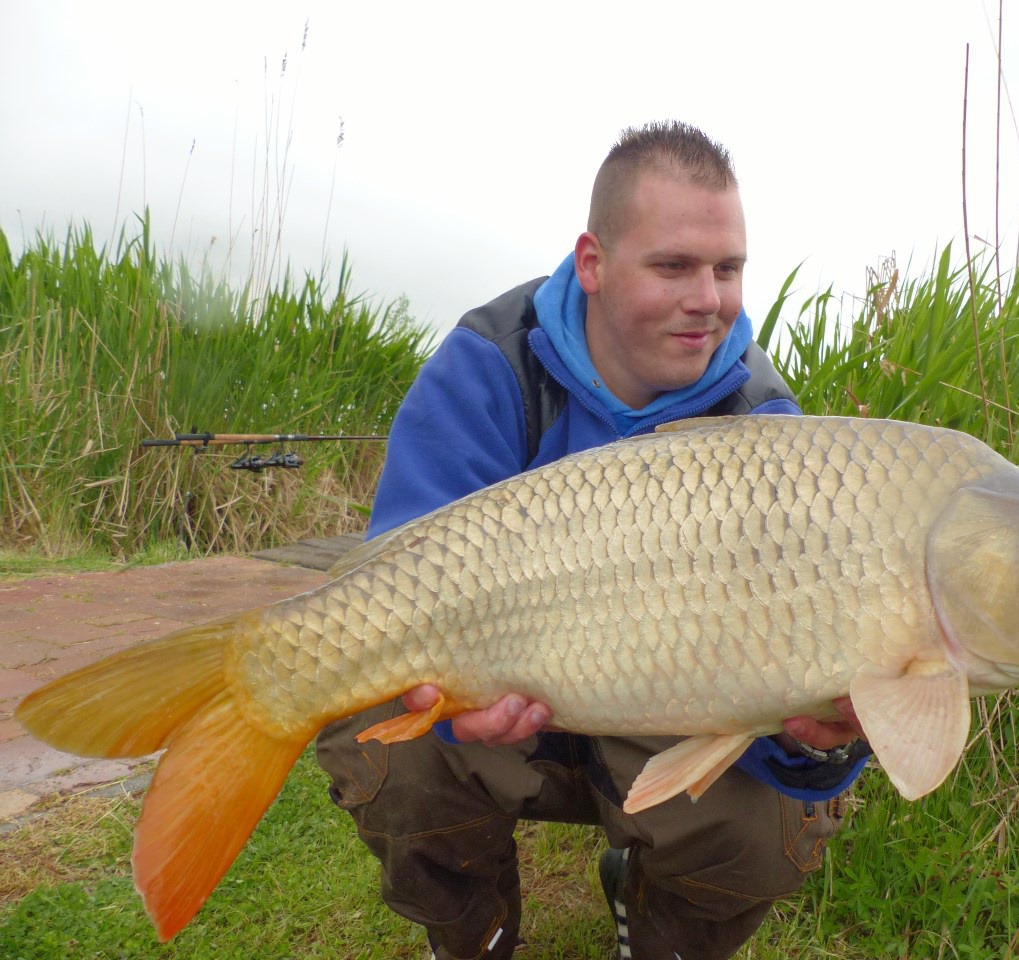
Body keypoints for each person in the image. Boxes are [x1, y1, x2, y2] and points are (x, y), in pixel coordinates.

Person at [316, 120, 871, 960]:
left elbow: (790, 693)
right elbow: (393, 585)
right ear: (593, 263)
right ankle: (474, 931)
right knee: (377, 738)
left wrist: (815, 741)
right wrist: (451, 706)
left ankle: (663, 931)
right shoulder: (490, 364)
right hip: (506, 713)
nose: (710, 300)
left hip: (662, 723)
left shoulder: (764, 428)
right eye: (674, 266)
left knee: (765, 831)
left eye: (728, 268)